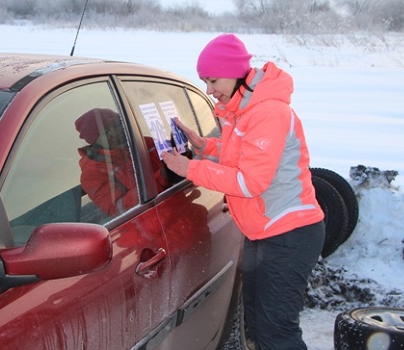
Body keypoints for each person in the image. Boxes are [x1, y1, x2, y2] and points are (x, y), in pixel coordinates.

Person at [161, 33, 325, 350]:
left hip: (289, 235)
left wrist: (190, 169)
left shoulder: (267, 113)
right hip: (265, 232)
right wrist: (204, 146)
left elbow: (251, 182)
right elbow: (247, 155)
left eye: (213, 80)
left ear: (234, 73)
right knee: (259, 325)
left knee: (276, 332)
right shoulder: (246, 110)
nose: (209, 90)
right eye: (204, 82)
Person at [75, 108, 168, 218]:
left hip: (178, 210)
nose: (117, 131)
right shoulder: (92, 174)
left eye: (118, 124)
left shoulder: (144, 143)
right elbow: (118, 210)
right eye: (108, 130)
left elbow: (182, 162)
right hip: (150, 228)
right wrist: (163, 178)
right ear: (95, 140)